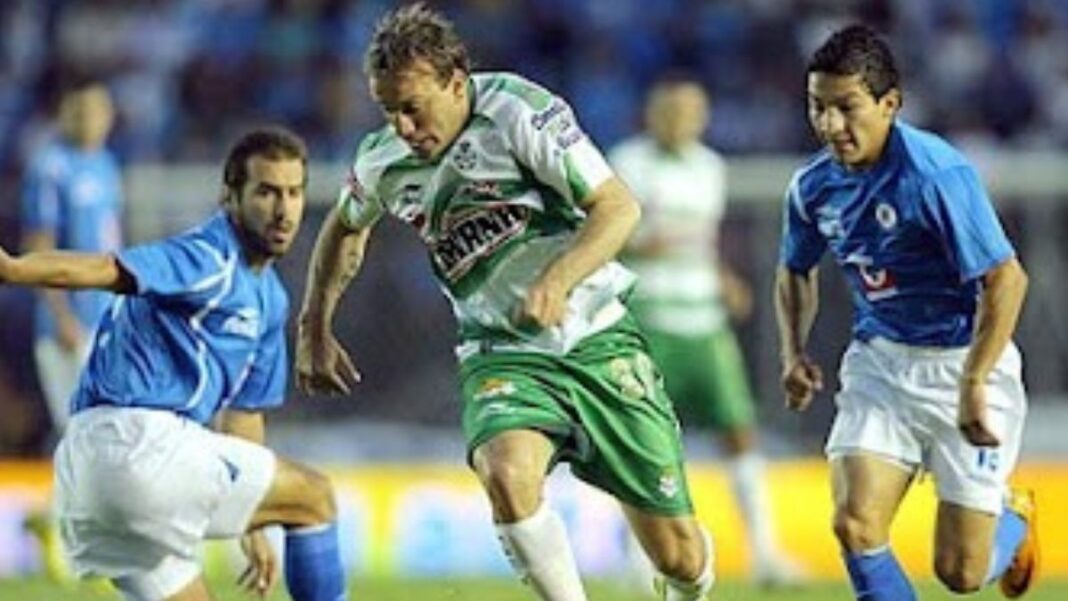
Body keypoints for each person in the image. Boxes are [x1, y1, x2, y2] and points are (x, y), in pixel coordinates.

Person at [296, 4, 713, 601]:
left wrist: (557, 281)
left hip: (596, 336)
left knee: (681, 557)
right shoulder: (382, 159)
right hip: (501, 350)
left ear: (456, 82)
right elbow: (344, 228)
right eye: (388, 110)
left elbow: (618, 206)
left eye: (413, 107)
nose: (403, 127)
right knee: (506, 473)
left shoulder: (520, 111)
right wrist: (314, 326)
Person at [0, 127, 348, 601]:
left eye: (294, 192)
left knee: (295, 503)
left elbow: (245, 414)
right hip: (140, 444)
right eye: (266, 192)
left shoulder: (270, 298)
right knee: (315, 496)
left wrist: (254, 523)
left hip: (91, 472)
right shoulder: (206, 257)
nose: (283, 210)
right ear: (230, 197)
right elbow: (105, 269)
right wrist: (14, 269)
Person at [775, 24, 1037, 600]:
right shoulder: (812, 186)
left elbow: (1006, 278)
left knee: (961, 574)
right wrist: (793, 352)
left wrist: (973, 382)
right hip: (882, 365)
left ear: (890, 103)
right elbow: (795, 269)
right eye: (818, 107)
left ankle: (1013, 518)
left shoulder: (935, 174)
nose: (830, 125)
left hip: (964, 361)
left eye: (846, 108)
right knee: (854, 524)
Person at [609, 76, 803, 587]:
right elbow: (602, 233)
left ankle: (765, 554)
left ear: (702, 117)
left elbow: (702, 240)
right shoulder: (628, 162)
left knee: (739, 430)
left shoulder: (710, 168)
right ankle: (638, 562)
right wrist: (639, 245)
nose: (679, 120)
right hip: (649, 319)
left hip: (704, 319)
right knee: (642, 440)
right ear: (651, 114)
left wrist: (723, 277)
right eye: (669, 110)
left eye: (689, 112)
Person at [19, 77, 123, 583]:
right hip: (67, 327)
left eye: (99, 111)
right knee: (87, 432)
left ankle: (55, 521)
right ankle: (83, 541)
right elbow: (38, 244)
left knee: (90, 434)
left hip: (104, 322)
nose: (91, 120)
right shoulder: (50, 167)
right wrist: (59, 314)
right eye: (81, 111)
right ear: (64, 113)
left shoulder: (105, 165)